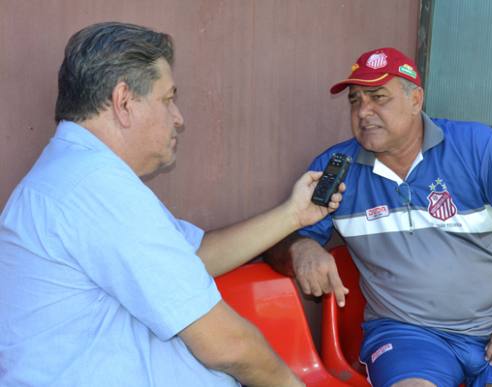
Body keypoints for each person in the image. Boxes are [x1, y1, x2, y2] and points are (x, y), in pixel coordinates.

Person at [0, 22, 345, 387]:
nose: (178, 118)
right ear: (124, 102)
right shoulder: (95, 185)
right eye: (168, 99)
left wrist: (294, 215)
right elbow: (228, 345)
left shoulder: (81, 175)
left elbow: (193, 256)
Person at [265, 47, 492, 386]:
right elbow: (276, 238)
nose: (363, 111)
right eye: (355, 100)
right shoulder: (335, 168)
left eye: (378, 97)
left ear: (416, 99)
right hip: (406, 336)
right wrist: (301, 247)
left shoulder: (477, 147)